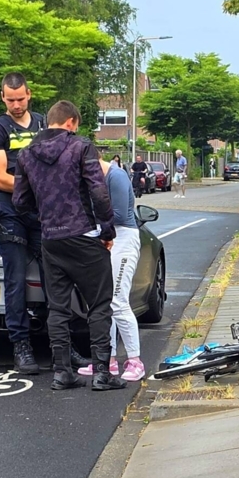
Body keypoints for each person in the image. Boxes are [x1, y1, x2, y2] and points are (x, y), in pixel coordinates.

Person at [13, 100, 126, 392]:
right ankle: (102, 373)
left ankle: (62, 372)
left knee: (58, 308)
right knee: (100, 305)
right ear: (71, 122)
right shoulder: (81, 147)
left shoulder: (26, 154)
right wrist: (107, 229)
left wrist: (44, 218)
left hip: (51, 240)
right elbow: (98, 192)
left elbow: (19, 201)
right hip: (85, 236)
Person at [0, 73, 46, 375]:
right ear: (2, 97)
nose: (17, 104)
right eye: (11, 100)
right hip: (11, 213)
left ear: (29, 94)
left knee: (57, 278)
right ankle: (21, 346)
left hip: (45, 213)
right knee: (16, 281)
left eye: (20, 99)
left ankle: (64, 345)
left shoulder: (44, 125)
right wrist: (39, 187)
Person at [76, 157, 145, 382]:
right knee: (104, 302)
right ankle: (108, 360)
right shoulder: (97, 179)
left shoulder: (116, 176)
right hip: (106, 238)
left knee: (117, 300)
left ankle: (135, 361)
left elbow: (119, 215)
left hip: (123, 238)